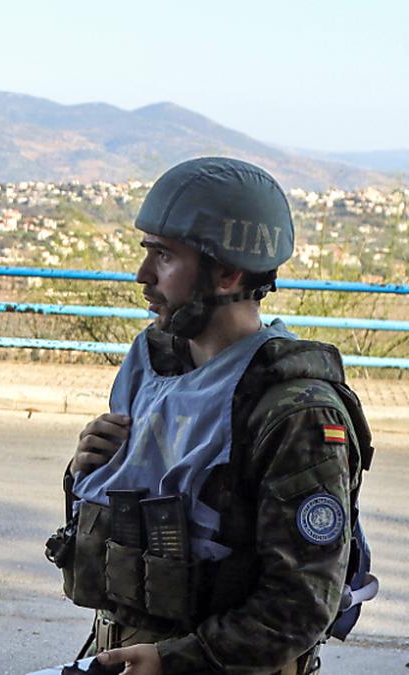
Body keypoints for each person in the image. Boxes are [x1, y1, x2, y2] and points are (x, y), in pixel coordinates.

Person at [51, 157, 375, 675]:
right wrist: (89, 471)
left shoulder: (295, 412)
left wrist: (174, 661)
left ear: (227, 272)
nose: (143, 276)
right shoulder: (158, 369)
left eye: (164, 256)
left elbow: (299, 607)